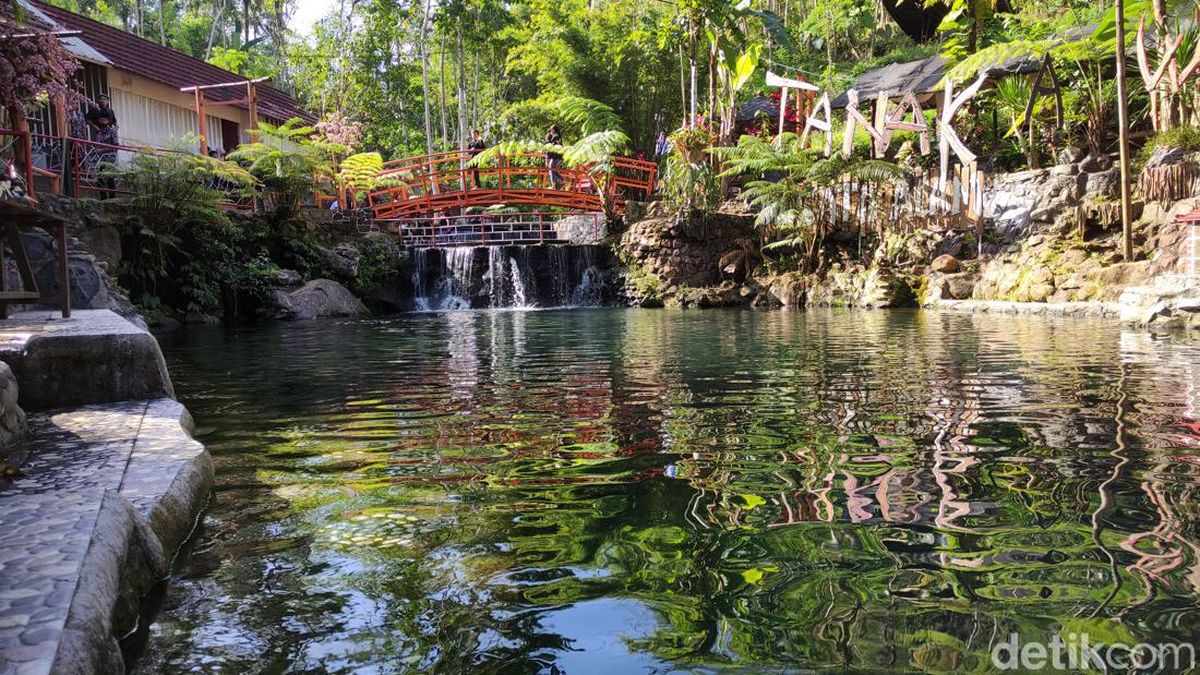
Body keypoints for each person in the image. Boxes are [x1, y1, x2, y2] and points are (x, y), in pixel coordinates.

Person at [545, 124, 564, 189]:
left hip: (555, 157)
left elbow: (551, 148)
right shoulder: (559, 137)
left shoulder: (555, 136)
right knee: (555, 171)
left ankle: (553, 186)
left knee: (551, 170)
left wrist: (547, 158)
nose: (551, 131)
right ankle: (566, 182)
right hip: (560, 157)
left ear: (554, 130)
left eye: (552, 130)